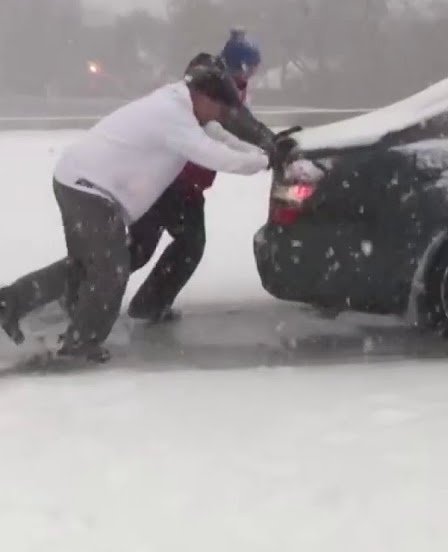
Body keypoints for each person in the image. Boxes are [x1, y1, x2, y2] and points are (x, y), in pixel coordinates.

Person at [0, 63, 282, 363]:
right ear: (202, 97)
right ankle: (80, 345)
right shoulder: (173, 116)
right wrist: (263, 162)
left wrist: (265, 149)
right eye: (220, 107)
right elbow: (214, 154)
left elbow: (221, 138)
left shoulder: (181, 108)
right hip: (88, 189)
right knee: (111, 270)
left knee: (86, 268)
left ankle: (10, 304)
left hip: (82, 183)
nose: (220, 115)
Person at [126, 34, 278, 323]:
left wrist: (269, 141)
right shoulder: (211, 83)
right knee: (175, 246)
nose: (252, 73)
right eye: (250, 67)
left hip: (181, 181)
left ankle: (86, 288)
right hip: (173, 179)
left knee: (144, 249)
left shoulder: (232, 86)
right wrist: (267, 144)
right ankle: (122, 297)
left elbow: (240, 121)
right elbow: (236, 122)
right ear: (238, 64)